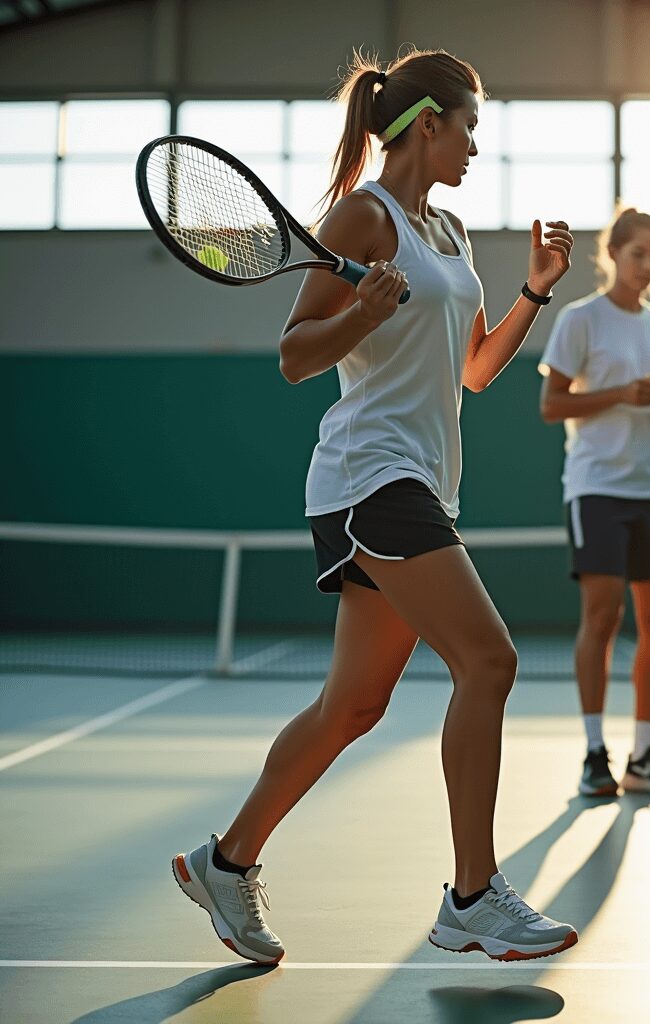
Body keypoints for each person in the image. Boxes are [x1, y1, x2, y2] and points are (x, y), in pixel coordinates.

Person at [172, 47, 579, 964]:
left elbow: (472, 370)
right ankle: (473, 896)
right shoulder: (362, 216)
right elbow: (296, 354)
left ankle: (224, 863)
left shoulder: (452, 232)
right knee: (490, 660)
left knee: (352, 706)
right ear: (426, 122)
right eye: (469, 125)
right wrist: (361, 314)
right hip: (371, 477)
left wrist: (534, 293)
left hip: (420, 482)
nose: (476, 144)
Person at [538, 206, 650, 800]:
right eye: (638, 253)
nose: (647, 265)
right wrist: (618, 394)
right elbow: (551, 405)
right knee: (603, 616)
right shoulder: (579, 319)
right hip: (596, 488)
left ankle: (642, 756)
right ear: (612, 253)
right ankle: (595, 754)